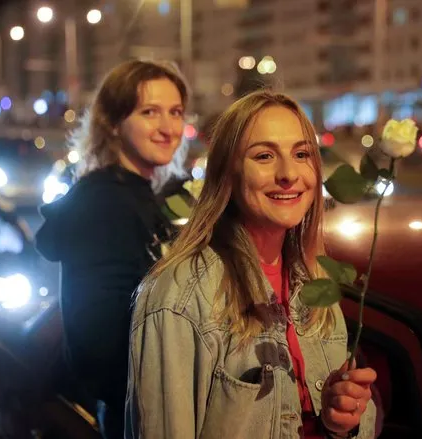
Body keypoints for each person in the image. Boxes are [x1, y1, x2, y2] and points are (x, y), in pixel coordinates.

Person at [125, 90, 378, 439]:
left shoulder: (316, 284)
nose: (289, 173)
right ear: (228, 172)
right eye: (264, 156)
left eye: (302, 153)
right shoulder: (179, 297)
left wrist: (340, 423)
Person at [34, 59, 190, 439]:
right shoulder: (103, 203)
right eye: (149, 112)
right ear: (115, 123)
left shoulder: (143, 195)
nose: (168, 127)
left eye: (175, 112)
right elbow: (97, 340)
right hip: (137, 416)